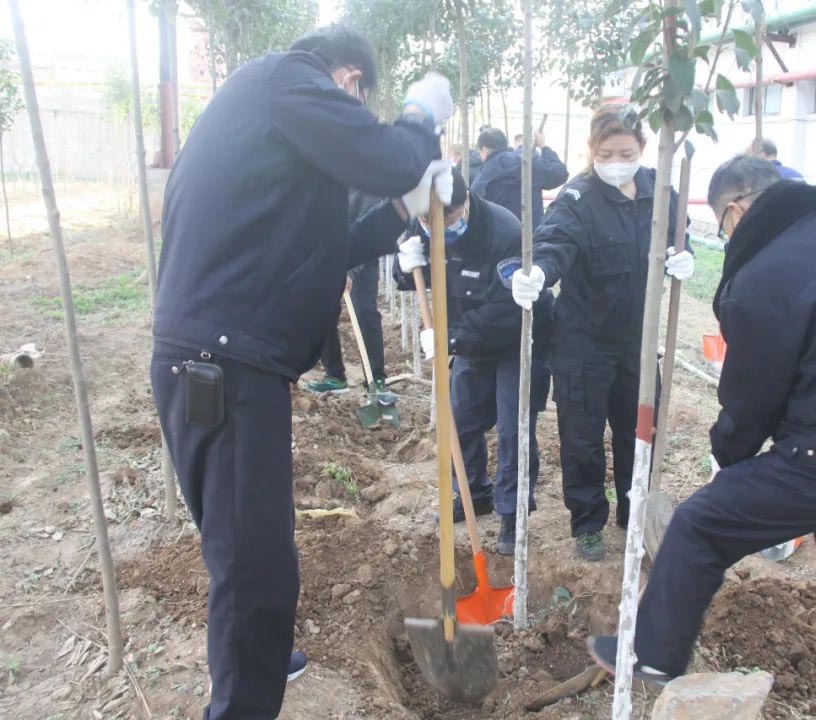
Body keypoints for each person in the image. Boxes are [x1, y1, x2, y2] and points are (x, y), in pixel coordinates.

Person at [585, 156, 816, 719]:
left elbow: (750, 400)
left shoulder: (758, 281)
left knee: (699, 524)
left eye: (721, 222)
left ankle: (655, 652)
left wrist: (728, 458)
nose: (726, 234)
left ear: (736, 210)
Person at [150, 24, 453, 720]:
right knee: (255, 565)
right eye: (360, 100)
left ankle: (259, 656)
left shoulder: (268, 124)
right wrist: (419, 119)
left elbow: (329, 246)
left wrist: (404, 212)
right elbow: (384, 157)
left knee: (242, 539)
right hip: (221, 363)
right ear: (347, 81)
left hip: (215, 359)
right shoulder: (286, 80)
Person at [511, 105, 695, 561]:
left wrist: (681, 253)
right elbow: (556, 244)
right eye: (607, 152)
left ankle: (635, 510)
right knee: (582, 436)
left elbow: (679, 235)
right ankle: (588, 520)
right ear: (591, 150)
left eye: (626, 152)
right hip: (583, 342)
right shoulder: (578, 198)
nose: (617, 160)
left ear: (643, 149)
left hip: (638, 338)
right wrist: (538, 273)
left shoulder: (660, 191)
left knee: (638, 432)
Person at [394, 168, 552, 555]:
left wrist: (449, 337)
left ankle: (513, 514)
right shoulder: (423, 227)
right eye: (425, 222)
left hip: (518, 341)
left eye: (444, 220)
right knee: (460, 421)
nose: (435, 229)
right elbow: (413, 275)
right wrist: (404, 266)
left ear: (464, 205)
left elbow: (506, 311)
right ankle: (473, 494)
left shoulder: (505, 232)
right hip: (471, 343)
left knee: (514, 428)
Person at [306, 192, 394, 400]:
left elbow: (369, 231)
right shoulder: (327, 179)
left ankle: (376, 378)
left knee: (365, 311)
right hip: (329, 254)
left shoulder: (364, 183)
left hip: (363, 256)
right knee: (323, 311)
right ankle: (335, 376)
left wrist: (349, 271)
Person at [471, 127, 569, 230]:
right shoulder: (528, 163)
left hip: (499, 238)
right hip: (531, 235)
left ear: (484, 150)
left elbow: (473, 211)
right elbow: (560, 173)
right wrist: (543, 146)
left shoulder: (484, 175)